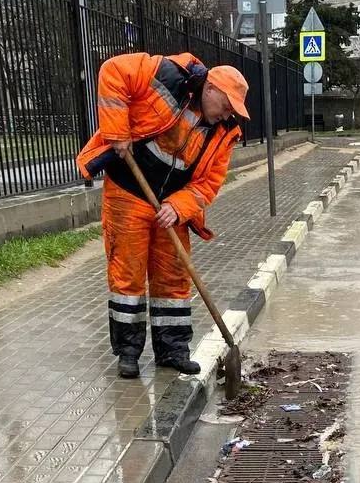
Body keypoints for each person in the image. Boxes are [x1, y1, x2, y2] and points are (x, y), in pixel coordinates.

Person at [77, 53, 249, 379]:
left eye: (233, 111)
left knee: (172, 279)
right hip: (129, 192)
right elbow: (112, 72)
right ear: (210, 88)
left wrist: (179, 207)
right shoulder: (166, 75)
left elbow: (207, 184)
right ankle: (128, 353)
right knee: (127, 276)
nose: (228, 114)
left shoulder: (224, 132)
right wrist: (117, 131)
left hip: (169, 205)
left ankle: (173, 352)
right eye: (227, 105)